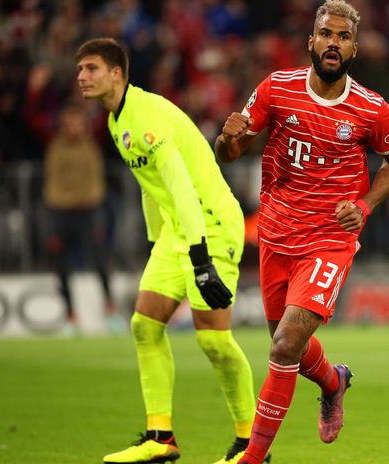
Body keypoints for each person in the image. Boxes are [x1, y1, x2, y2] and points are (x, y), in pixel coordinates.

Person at [214, 1, 389, 462]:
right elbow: (231, 151)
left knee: (284, 345)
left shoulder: (371, 109)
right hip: (276, 234)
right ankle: (334, 381)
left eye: (343, 37)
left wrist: (363, 206)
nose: (333, 43)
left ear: (354, 48)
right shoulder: (276, 89)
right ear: (312, 40)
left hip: (328, 240)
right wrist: (228, 137)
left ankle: (253, 457)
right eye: (326, 34)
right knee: (288, 346)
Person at [76, 38, 257, 464]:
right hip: (177, 231)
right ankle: (161, 437)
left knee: (214, 341)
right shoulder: (114, 122)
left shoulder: (149, 117)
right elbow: (151, 188)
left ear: (116, 73)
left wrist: (199, 259)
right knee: (144, 325)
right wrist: (157, 243)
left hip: (209, 224)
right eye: (80, 70)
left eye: (90, 68)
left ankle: (252, 445)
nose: (81, 77)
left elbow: (180, 186)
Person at [43, 103, 119, 332]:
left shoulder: (90, 148)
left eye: (77, 123)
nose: (74, 127)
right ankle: (70, 315)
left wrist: (80, 199)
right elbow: (52, 187)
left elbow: (97, 186)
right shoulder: (56, 149)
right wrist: (72, 199)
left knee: (100, 260)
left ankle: (110, 308)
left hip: (87, 214)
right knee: (61, 265)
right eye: (70, 123)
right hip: (61, 215)